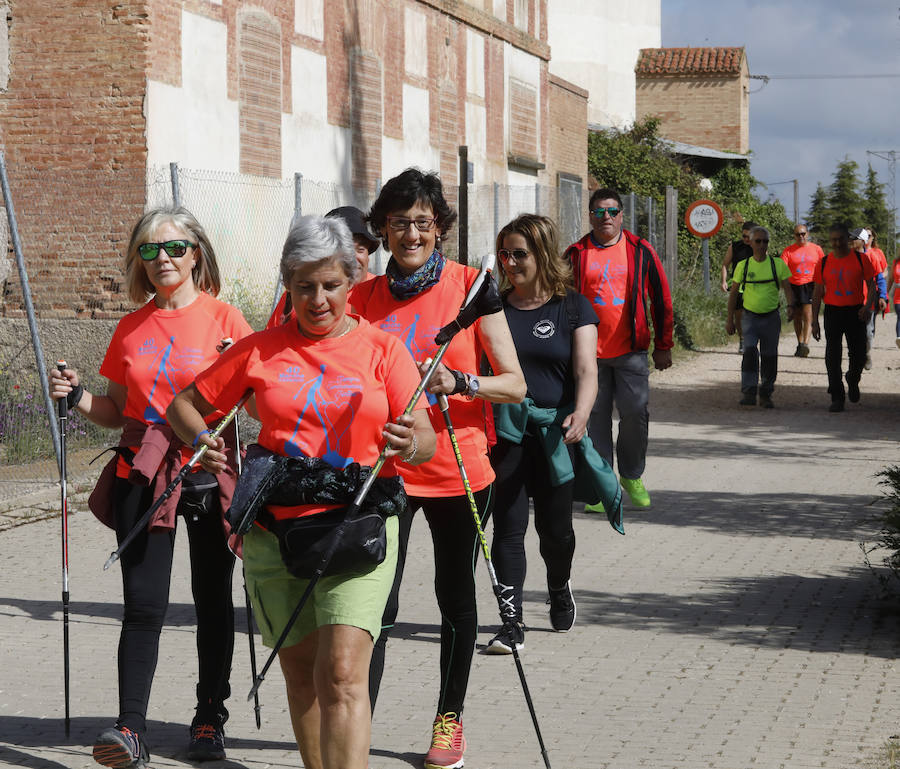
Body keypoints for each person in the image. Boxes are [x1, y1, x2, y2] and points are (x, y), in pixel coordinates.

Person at [166, 215, 436, 769]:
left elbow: (427, 442)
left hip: (358, 527)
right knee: (301, 674)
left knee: (340, 673)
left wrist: (409, 441)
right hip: (274, 531)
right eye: (304, 286)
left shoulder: (384, 351)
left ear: (352, 281)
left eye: (331, 285)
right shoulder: (258, 350)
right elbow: (183, 405)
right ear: (288, 285)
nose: (318, 299)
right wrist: (203, 441)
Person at [49, 206, 254, 768]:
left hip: (210, 466)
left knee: (213, 602)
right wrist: (76, 397)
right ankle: (130, 729)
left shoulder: (227, 321)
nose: (162, 259)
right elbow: (118, 410)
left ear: (196, 254)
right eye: (149, 250)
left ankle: (210, 719)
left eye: (174, 248)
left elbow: (255, 399)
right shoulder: (131, 326)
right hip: (143, 467)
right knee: (143, 604)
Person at [352, 167, 525, 769]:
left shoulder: (470, 288)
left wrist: (461, 381)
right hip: (383, 471)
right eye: (399, 223)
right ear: (382, 230)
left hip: (457, 467)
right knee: (374, 605)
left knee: (454, 596)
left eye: (422, 223)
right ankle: (357, 726)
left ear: (440, 229)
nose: (411, 234)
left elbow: (514, 384)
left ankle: (449, 718)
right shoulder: (360, 299)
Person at [484, 214, 598, 654]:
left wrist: (583, 413)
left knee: (556, 532)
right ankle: (511, 625)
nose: (510, 262)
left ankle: (558, 586)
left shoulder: (571, 307)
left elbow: (587, 371)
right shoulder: (494, 307)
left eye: (520, 254)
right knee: (508, 530)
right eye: (504, 254)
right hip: (508, 435)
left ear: (543, 255)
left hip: (556, 435)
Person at [565, 187, 673, 510]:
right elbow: (559, 300)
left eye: (612, 211)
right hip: (588, 357)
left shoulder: (641, 251)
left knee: (635, 414)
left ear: (622, 215)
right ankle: (602, 486)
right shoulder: (576, 253)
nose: (606, 218)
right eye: (599, 212)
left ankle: (631, 474)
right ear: (590, 216)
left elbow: (662, 299)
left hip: (631, 351)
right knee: (594, 418)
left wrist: (663, 345)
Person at [267, 205, 380, 328]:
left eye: (360, 249)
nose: (318, 300)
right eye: (342, 252)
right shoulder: (297, 294)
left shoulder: (381, 293)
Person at [811, 224, 881, 412]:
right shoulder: (824, 262)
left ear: (847, 240)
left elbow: (872, 285)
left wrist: (867, 307)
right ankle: (837, 396)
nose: (837, 243)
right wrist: (814, 320)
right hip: (833, 312)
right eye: (833, 239)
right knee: (832, 355)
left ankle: (853, 377)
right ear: (830, 241)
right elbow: (817, 293)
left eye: (840, 239)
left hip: (856, 312)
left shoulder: (861, 259)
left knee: (858, 354)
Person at [726, 226, 794, 408]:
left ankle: (766, 392)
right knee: (749, 352)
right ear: (751, 242)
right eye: (758, 241)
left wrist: (791, 306)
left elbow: (787, 287)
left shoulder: (777, 264)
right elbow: (733, 294)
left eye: (765, 241)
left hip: (771, 317)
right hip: (749, 317)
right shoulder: (743, 265)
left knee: (770, 355)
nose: (762, 245)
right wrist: (730, 319)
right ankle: (748, 392)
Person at [779, 223, 823, 357]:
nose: (801, 237)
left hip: (810, 284)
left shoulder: (816, 249)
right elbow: (783, 270)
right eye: (798, 234)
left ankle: (805, 343)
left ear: (807, 234)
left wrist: (823, 286)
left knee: (807, 314)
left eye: (803, 234)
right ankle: (800, 343)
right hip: (794, 285)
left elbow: (823, 266)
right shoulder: (788, 251)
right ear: (794, 236)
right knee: (797, 316)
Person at [721, 220, 757, 353]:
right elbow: (725, 264)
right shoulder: (735, 246)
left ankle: (752, 339)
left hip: (755, 285)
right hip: (738, 285)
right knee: (739, 314)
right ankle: (742, 340)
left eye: (749, 237)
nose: (746, 239)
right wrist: (723, 281)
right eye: (744, 236)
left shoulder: (759, 246)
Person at [858, 227, 888, 369]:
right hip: (852, 301)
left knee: (869, 331)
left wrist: (882, 296)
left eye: (868, 237)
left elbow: (880, 277)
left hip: (869, 300)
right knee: (855, 332)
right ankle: (858, 356)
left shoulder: (874, 256)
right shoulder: (849, 257)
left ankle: (867, 353)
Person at [885, 246, 900, 348]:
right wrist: (885, 293)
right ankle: (899, 338)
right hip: (898, 295)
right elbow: (890, 279)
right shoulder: (895, 262)